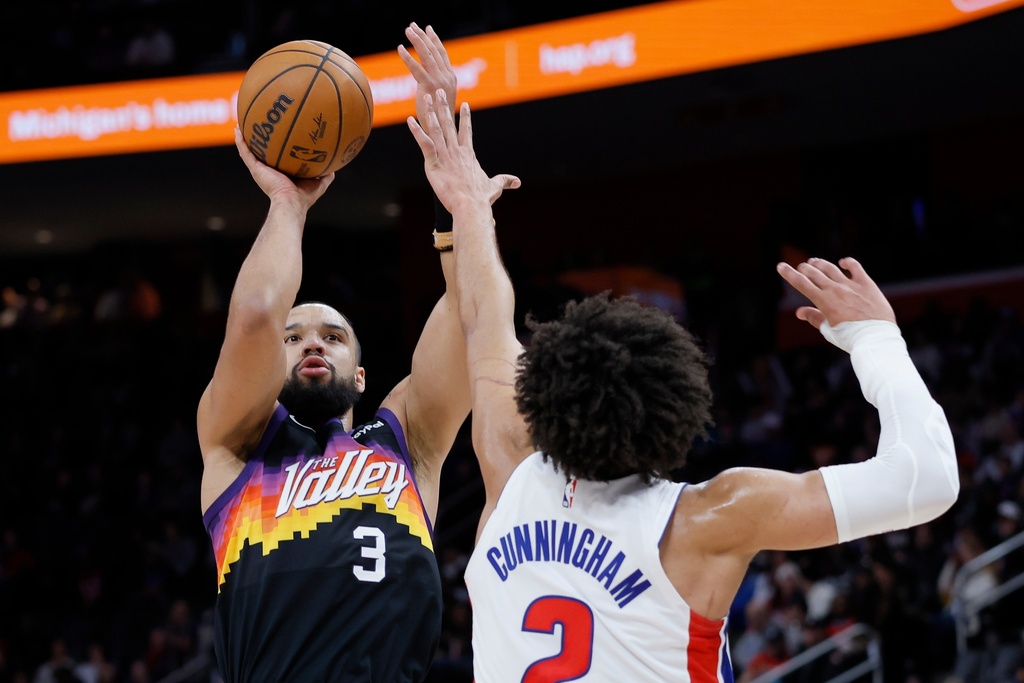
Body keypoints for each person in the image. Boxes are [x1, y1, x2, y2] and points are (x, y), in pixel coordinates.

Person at [407, 91, 960, 680]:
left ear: (541, 397)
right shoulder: (711, 517)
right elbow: (926, 479)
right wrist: (876, 340)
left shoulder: (508, 467)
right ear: (676, 415)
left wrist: (467, 209)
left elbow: (484, 317)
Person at [197, 24, 489, 682]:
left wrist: (460, 209)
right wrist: (286, 205)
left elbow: (472, 320)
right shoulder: (238, 444)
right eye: (295, 334)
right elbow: (252, 315)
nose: (310, 342)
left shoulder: (404, 441)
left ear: (362, 374)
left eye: (331, 334)